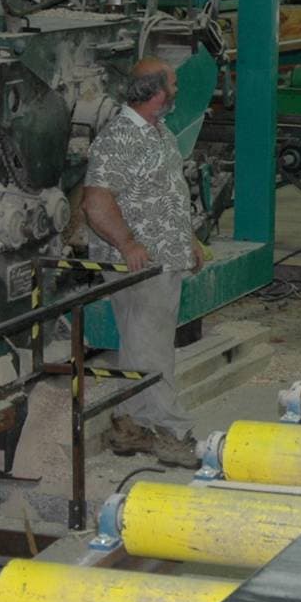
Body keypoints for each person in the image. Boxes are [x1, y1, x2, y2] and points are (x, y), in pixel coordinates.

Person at [82, 57, 205, 467]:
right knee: (153, 352)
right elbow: (96, 201)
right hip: (140, 265)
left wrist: (188, 239)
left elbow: (170, 191)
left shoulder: (159, 131)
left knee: (141, 345)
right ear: (156, 92)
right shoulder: (118, 138)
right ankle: (171, 432)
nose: (177, 90)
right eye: (173, 83)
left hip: (165, 257)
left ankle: (130, 424)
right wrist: (128, 243)